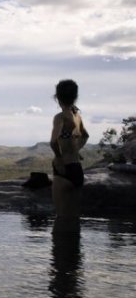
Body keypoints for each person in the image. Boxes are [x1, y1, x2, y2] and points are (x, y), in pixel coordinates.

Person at [50, 79, 89, 234]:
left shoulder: (61, 117)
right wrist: (76, 149)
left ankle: (60, 257)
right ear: (75, 97)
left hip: (63, 170)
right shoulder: (77, 115)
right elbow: (85, 135)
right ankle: (74, 257)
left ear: (57, 98)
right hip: (77, 170)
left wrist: (59, 157)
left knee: (61, 218)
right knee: (73, 218)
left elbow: (53, 141)